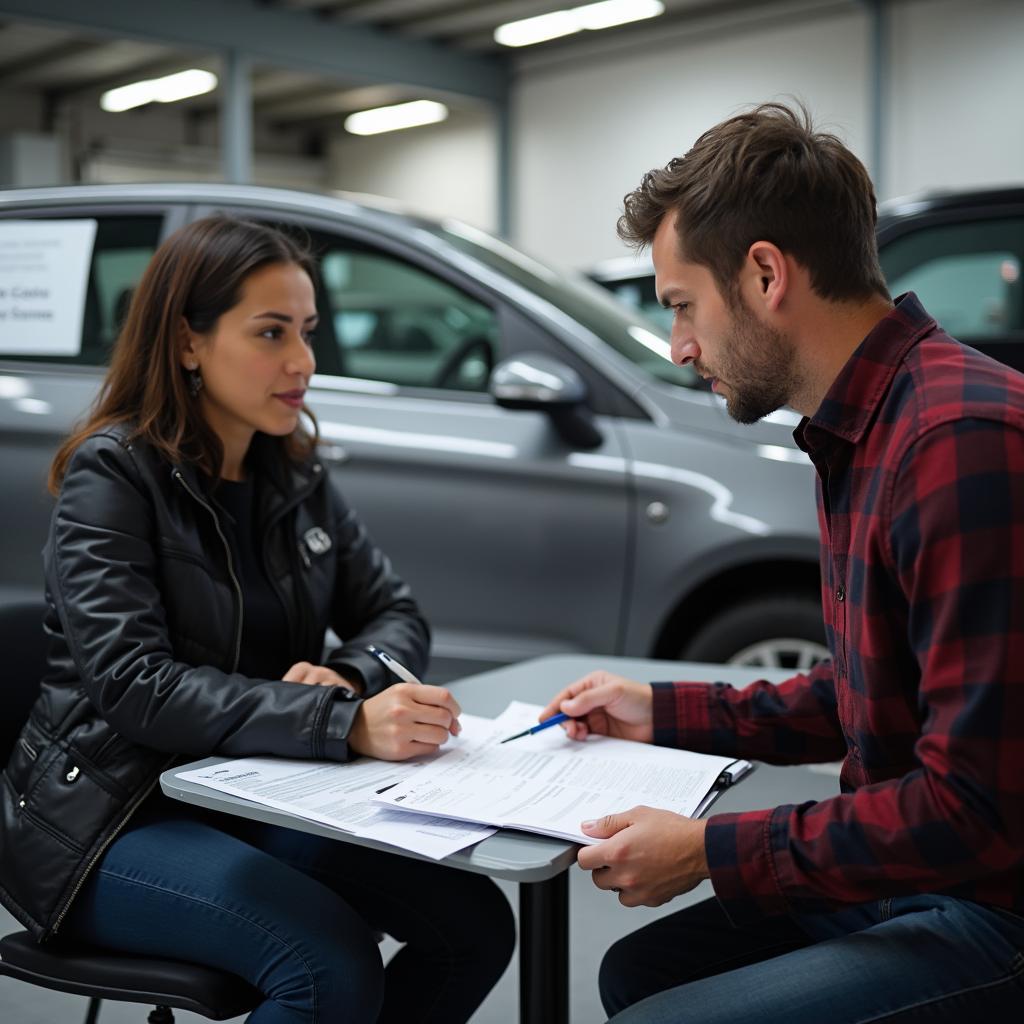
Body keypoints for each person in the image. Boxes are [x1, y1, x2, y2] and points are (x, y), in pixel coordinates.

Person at [539, 103, 1024, 1022]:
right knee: (639, 975)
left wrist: (713, 852)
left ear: (765, 274)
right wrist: (661, 712)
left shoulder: (957, 443)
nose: (680, 348)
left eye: (683, 306)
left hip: (992, 909)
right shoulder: (867, 424)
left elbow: (974, 809)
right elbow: (865, 694)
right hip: (921, 877)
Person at [0, 216, 514, 1024]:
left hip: (253, 792)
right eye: (271, 333)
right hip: (110, 819)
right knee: (328, 966)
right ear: (187, 342)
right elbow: (138, 687)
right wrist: (338, 722)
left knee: (474, 925)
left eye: (306, 332)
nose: (303, 362)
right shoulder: (114, 475)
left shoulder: (293, 471)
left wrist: (348, 677)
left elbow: (393, 611)